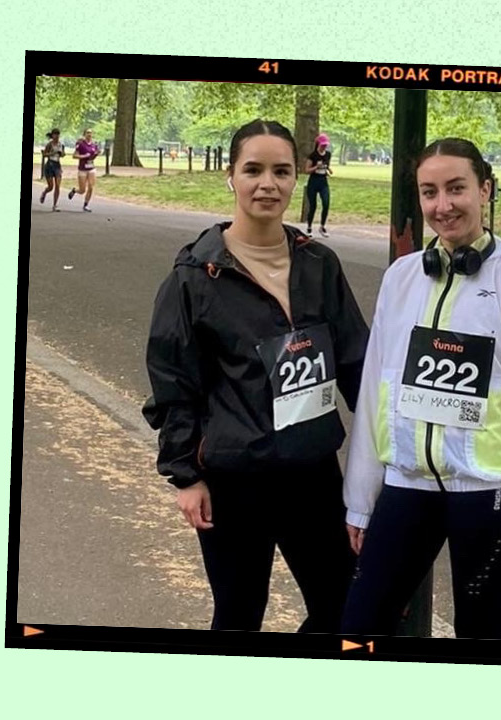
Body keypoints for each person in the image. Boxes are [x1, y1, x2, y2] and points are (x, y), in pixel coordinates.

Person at [143, 119, 370, 633]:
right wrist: (187, 475)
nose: (267, 183)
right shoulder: (194, 276)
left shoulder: (319, 263)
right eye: (253, 170)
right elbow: (173, 382)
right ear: (231, 177)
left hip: (311, 471)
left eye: (281, 171)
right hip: (232, 478)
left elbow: (356, 361)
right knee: (240, 613)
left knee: (344, 607)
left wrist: (389, 453)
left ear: (298, 177)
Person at [339, 138, 501, 640]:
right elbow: (379, 388)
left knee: (480, 635)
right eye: (430, 192)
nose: (443, 205)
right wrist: (359, 497)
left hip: (484, 495)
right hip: (406, 486)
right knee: (359, 625)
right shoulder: (401, 278)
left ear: (484, 190)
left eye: (457, 188)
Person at [304, 133, 333, 238]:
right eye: (322, 145)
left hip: (323, 181)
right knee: (313, 206)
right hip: (313, 181)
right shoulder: (313, 156)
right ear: (318, 144)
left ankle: (322, 226)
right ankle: (309, 227)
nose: (324, 147)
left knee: (326, 203)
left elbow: (327, 165)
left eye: (326, 145)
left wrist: (328, 169)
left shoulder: (328, 154)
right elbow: (306, 170)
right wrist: (316, 166)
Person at [68, 128, 100, 212]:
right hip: (82, 169)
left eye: (90, 133)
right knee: (82, 190)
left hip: (91, 168)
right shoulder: (81, 144)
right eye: (87, 133)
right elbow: (74, 156)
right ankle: (74, 190)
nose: (89, 134)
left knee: (91, 187)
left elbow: (93, 156)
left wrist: (96, 154)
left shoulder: (94, 145)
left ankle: (86, 205)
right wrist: (83, 156)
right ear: (84, 134)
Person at [39, 129, 65, 211]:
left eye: (58, 134)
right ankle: (44, 193)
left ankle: (55, 205)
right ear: (52, 135)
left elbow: (63, 154)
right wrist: (52, 153)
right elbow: (44, 154)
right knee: (51, 187)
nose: (57, 136)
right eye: (55, 134)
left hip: (57, 165)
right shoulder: (49, 144)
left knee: (58, 185)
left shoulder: (61, 145)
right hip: (49, 165)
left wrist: (62, 154)